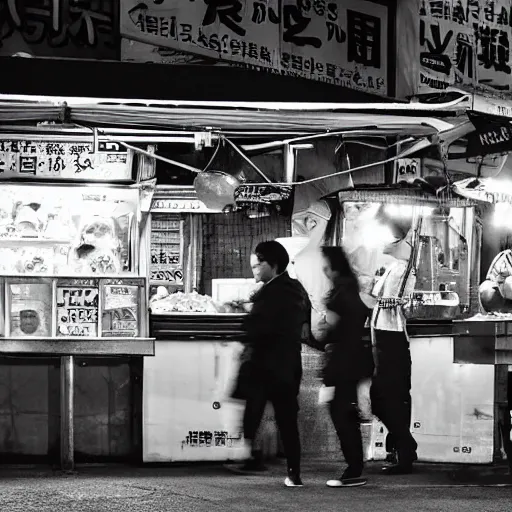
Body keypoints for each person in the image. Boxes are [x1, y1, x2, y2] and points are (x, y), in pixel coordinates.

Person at [232, 240, 311, 487]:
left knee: (254, 411)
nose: (254, 270)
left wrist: (242, 320)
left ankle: (252, 456)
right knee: (286, 420)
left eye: (258, 265)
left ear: (273, 265)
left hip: (266, 366)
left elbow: (259, 327)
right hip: (287, 366)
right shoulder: (294, 288)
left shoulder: (272, 294)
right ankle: (293, 473)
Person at [319, 246, 373, 488]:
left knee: (341, 414)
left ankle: (354, 469)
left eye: (326, 266)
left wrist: (319, 331)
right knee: (346, 412)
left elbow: (330, 331)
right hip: (355, 360)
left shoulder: (338, 296)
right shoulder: (353, 290)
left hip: (342, 361)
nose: (323, 271)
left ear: (334, 267)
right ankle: (355, 465)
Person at [370, 228, 418, 475]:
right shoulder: (395, 267)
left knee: (386, 397)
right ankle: (404, 447)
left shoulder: (407, 270)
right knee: (386, 398)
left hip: (393, 338)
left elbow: (409, 306)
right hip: (383, 336)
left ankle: (405, 448)